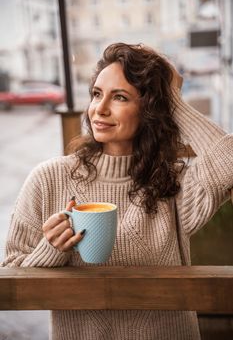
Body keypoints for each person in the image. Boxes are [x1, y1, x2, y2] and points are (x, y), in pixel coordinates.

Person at [1, 42, 233, 340]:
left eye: (120, 97)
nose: (100, 108)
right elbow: (12, 277)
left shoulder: (174, 183)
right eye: (97, 94)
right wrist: (52, 249)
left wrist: (172, 100)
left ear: (150, 109)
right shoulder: (49, 179)